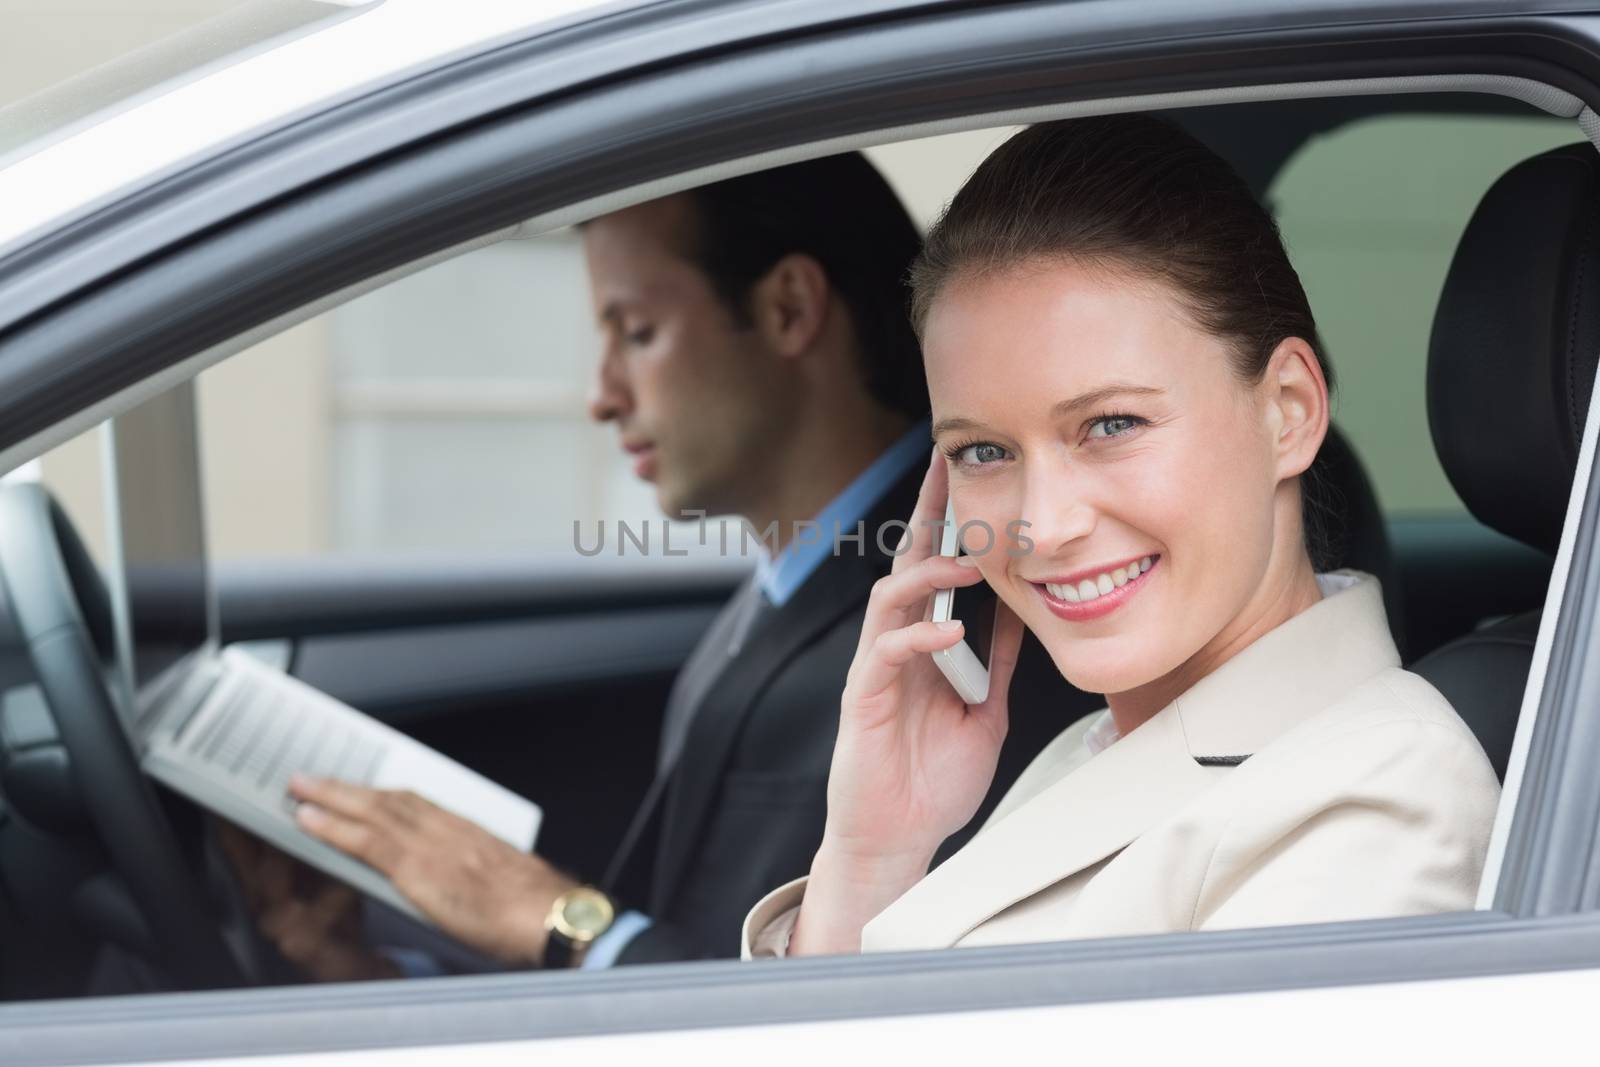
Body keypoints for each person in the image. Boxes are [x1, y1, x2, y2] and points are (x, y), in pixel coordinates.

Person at [224, 153, 1084, 980]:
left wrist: (561, 921)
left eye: (637, 332)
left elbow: (805, 1012)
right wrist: (377, 971)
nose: (602, 393)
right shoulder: (786, 592)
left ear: (788, 308)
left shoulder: (958, 621)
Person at [742, 115, 1501, 959]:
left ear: (1288, 409)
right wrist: (871, 854)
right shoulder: (1095, 745)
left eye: (1111, 424)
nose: (1044, 525)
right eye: (984, 450)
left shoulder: (1379, 799)